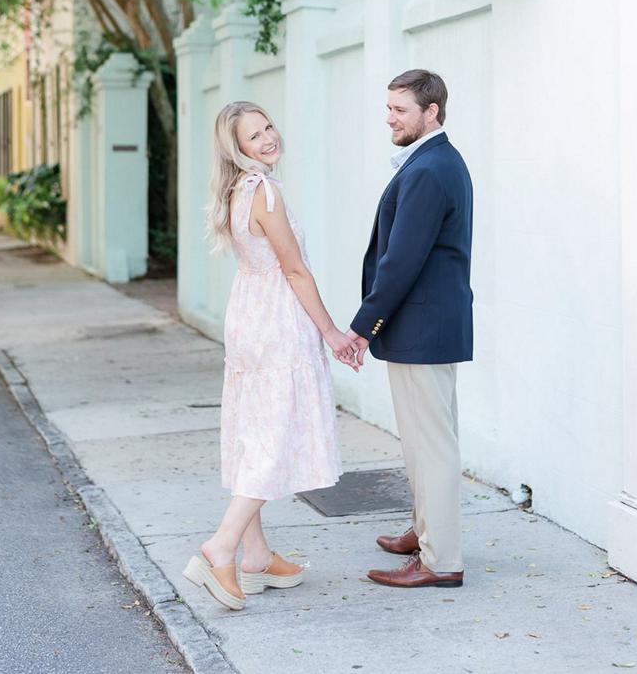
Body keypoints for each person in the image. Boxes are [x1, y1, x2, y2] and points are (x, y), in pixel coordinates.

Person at [183, 101, 358, 611]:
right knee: (274, 436)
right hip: (278, 321)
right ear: (237, 149)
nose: (267, 139)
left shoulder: (236, 191)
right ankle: (222, 545)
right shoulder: (265, 191)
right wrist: (331, 332)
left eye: (268, 128)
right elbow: (295, 269)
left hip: (250, 317)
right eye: (253, 136)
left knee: (253, 432)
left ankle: (256, 557)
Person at [347, 70, 473, 589]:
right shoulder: (437, 161)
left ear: (432, 112)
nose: (390, 117)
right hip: (428, 325)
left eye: (400, 109)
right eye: (390, 107)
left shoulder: (427, 169)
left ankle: (440, 560)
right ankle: (426, 533)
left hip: (421, 326)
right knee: (426, 441)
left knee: (431, 446)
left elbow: (400, 261)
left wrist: (363, 325)